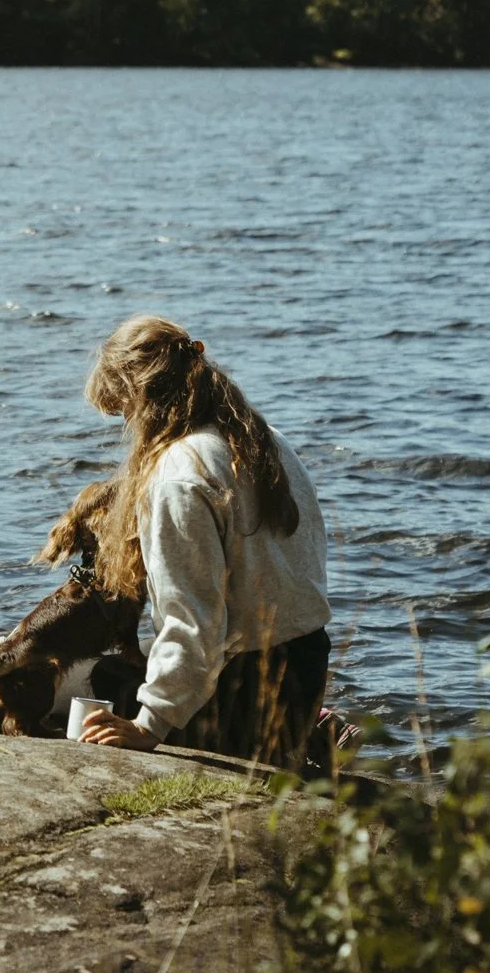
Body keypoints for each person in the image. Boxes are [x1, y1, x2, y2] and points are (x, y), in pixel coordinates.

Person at [78, 315, 331, 769]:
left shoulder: (179, 473)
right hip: (307, 668)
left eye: (124, 412)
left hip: (245, 697)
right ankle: (317, 727)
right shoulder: (266, 440)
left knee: (101, 681)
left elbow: (193, 621)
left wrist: (147, 725)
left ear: (141, 397)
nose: (129, 428)